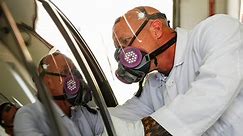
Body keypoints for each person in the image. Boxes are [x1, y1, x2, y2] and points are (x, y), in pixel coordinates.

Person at [109, 6, 243, 136]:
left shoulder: (217, 29)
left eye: (126, 42)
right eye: (119, 49)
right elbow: (125, 115)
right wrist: (91, 117)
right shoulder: (154, 84)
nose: (123, 55)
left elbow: (215, 90)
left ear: (156, 29)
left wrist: (150, 130)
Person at [14, 52, 104, 136]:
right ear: (47, 83)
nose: (75, 78)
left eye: (74, 71)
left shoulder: (83, 112)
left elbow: (113, 122)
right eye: (65, 72)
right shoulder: (27, 116)